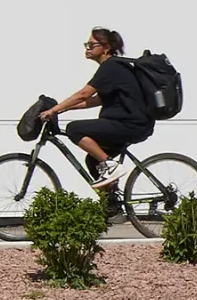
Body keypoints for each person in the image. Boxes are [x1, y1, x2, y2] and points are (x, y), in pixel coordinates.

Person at [41, 27, 154, 189]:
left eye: (92, 45)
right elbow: (96, 100)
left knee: (74, 129)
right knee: (93, 161)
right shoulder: (115, 67)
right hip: (135, 125)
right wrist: (64, 108)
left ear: (106, 47)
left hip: (130, 124)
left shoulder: (111, 67)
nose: (87, 48)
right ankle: (112, 202)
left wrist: (54, 110)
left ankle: (111, 165)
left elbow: (84, 94)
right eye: (86, 45)